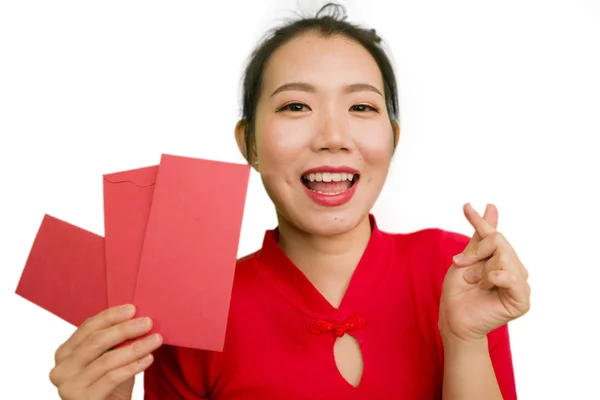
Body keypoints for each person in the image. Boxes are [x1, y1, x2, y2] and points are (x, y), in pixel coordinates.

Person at [48, 3, 531, 399]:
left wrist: (465, 342)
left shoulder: (456, 272)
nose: (333, 136)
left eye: (361, 106)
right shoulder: (190, 315)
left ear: (393, 138)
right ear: (250, 144)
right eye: (295, 106)